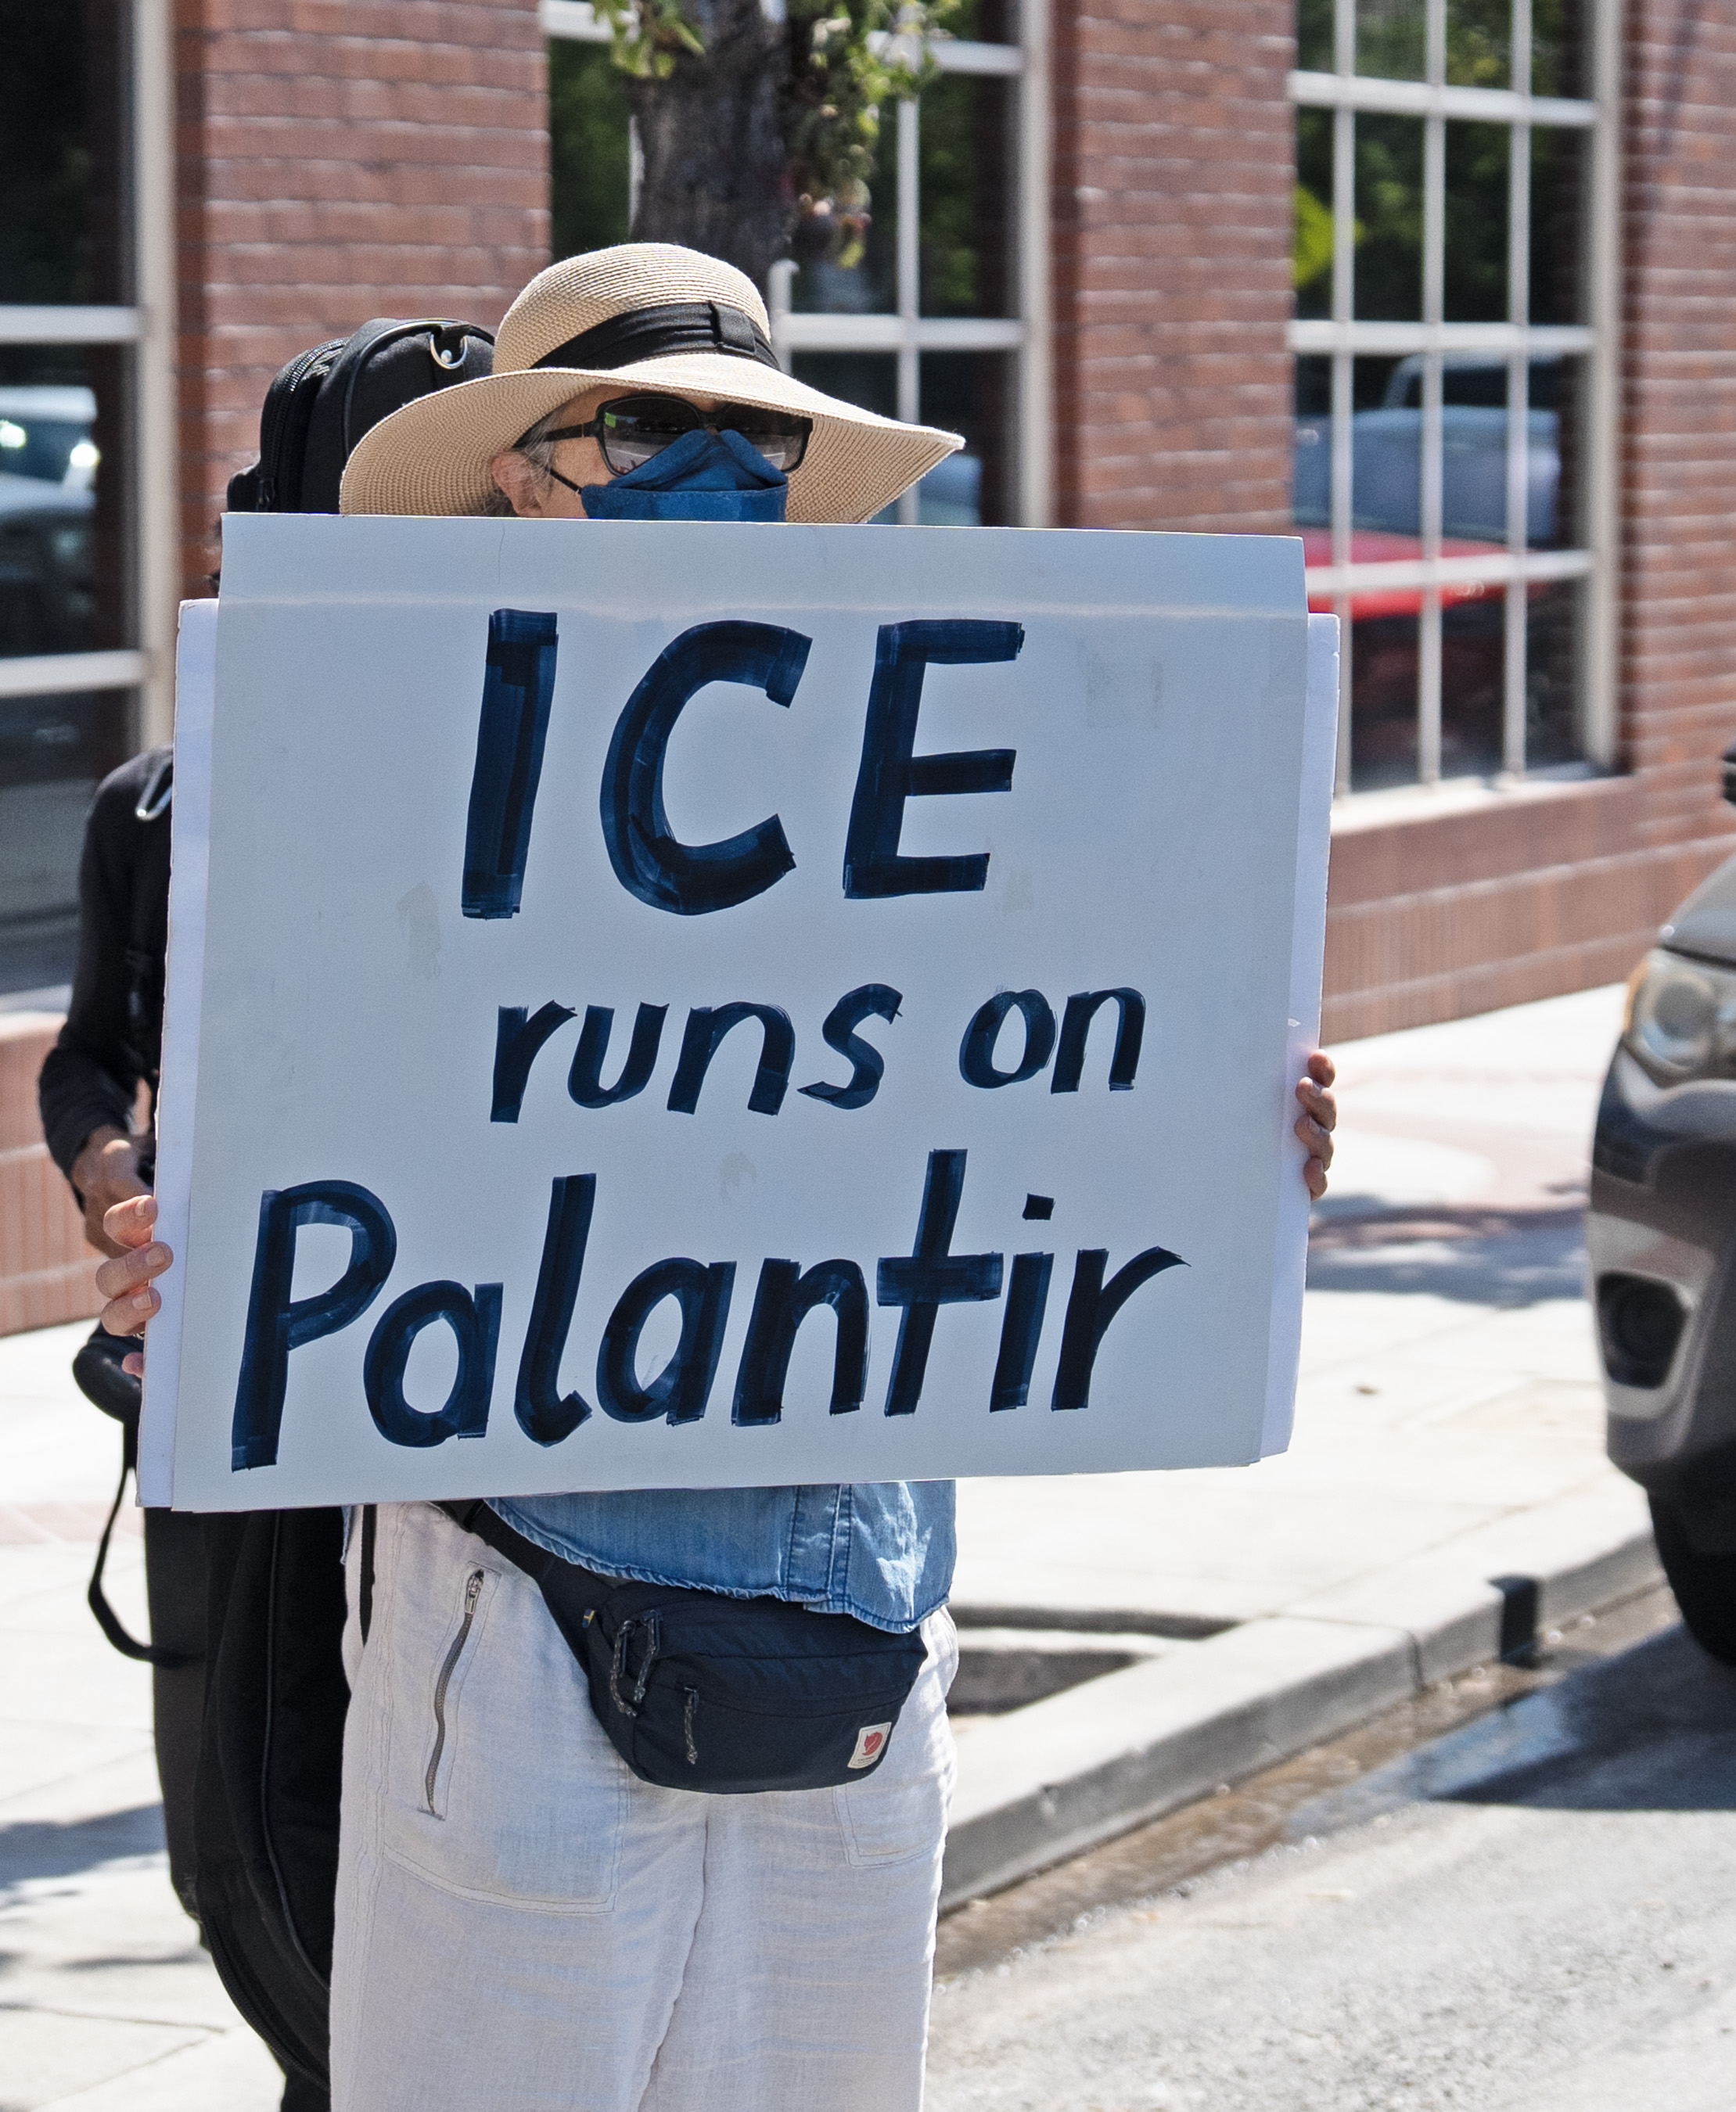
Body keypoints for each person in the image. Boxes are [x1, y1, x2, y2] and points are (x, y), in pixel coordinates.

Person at [95, 244, 1339, 2112]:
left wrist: (1225, 1140)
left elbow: (1042, 1079)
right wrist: (180, 1266)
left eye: (755, 436)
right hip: (526, 1620)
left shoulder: (911, 762)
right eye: (646, 425)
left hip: (862, 1615)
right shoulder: (386, 773)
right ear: (519, 474)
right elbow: (289, 1136)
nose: (713, 470)